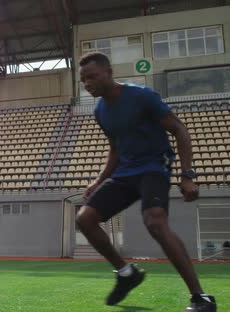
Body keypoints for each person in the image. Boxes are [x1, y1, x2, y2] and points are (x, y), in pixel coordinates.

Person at [76, 52, 216, 311]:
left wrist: (187, 175)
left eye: (92, 77)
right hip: (125, 173)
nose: (87, 84)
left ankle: (200, 297)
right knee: (85, 218)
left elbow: (179, 130)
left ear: (109, 73)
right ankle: (127, 273)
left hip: (154, 166)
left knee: (154, 221)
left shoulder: (142, 96)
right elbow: (115, 149)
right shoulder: (100, 110)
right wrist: (98, 180)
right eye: (83, 80)